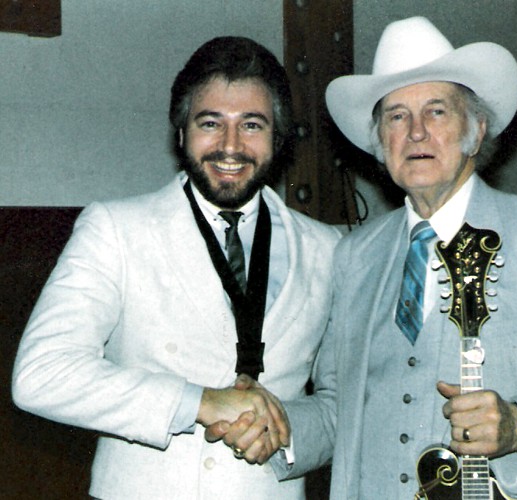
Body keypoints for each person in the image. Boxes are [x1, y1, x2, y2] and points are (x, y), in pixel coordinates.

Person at [221, 16, 517, 499]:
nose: (417, 133)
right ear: (379, 144)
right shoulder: (355, 256)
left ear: (476, 130)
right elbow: (341, 408)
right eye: (397, 117)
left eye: (437, 112)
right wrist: (277, 425)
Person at [12, 36, 340, 500]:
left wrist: (286, 429)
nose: (230, 146)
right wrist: (198, 403)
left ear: (278, 139)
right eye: (211, 123)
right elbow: (41, 374)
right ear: (181, 133)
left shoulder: (328, 248)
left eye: (251, 125)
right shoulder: (115, 229)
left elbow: (344, 404)